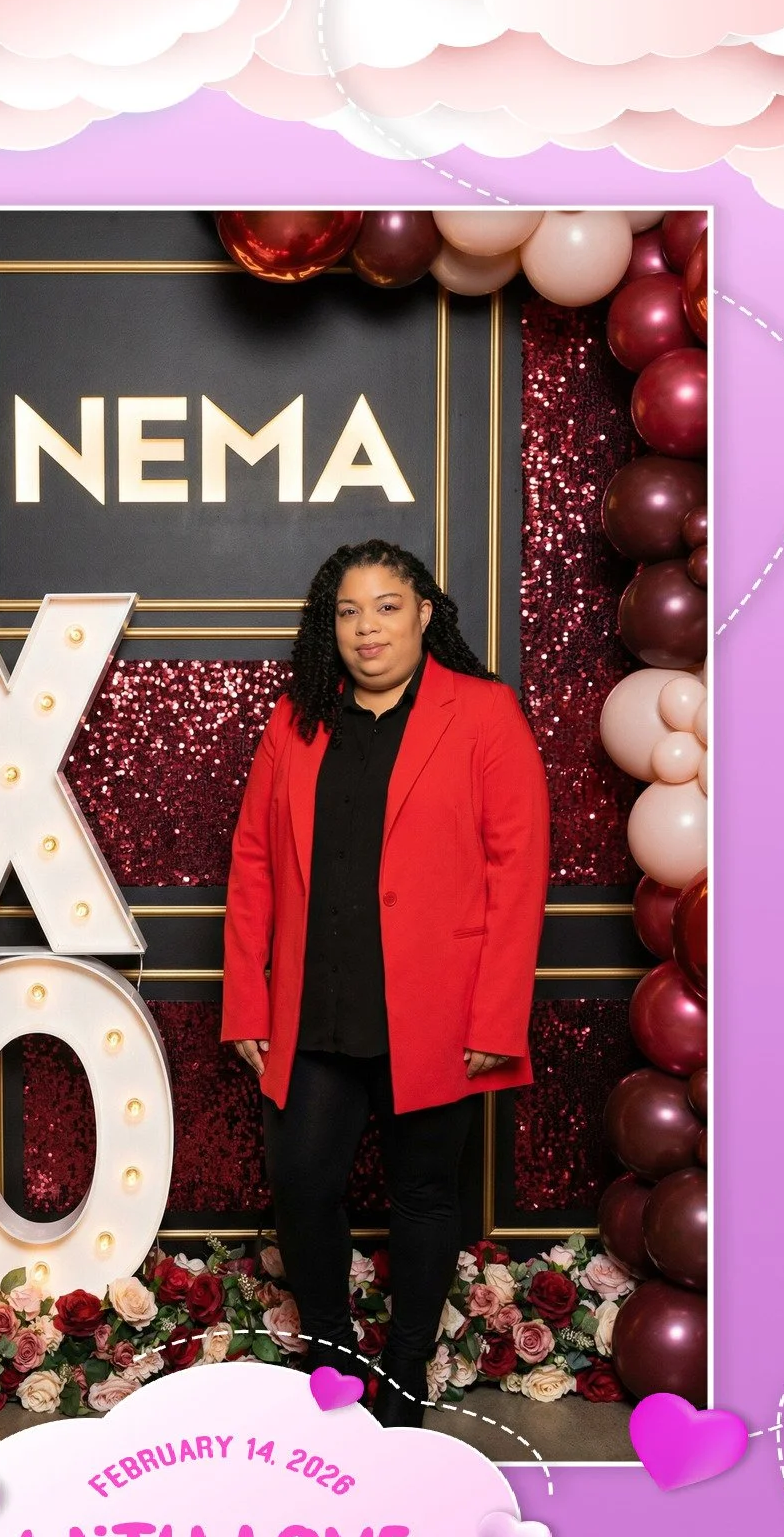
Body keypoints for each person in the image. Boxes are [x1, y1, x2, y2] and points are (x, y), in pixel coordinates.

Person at [221, 540, 550, 1427]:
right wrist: (247, 1002)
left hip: (437, 1013)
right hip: (315, 1003)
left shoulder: (483, 714)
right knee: (302, 1182)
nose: (368, 629)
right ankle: (333, 1362)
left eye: (388, 606)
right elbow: (252, 865)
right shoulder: (297, 719)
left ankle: (404, 1373)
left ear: (425, 615)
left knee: (425, 1194)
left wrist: (495, 1016)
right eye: (349, 611)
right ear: (332, 627)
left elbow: (518, 874)